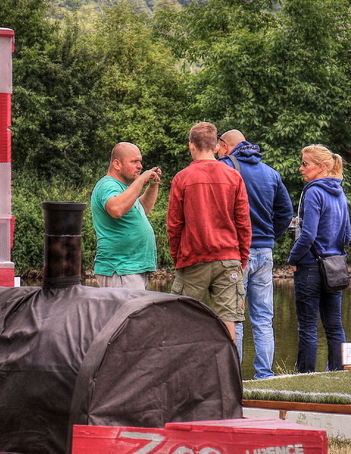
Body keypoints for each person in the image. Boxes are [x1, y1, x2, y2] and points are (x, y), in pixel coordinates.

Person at [217, 129, 293, 379]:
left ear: (225, 146)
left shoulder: (224, 168)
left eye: (219, 148)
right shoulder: (270, 172)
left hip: (237, 253)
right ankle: (264, 375)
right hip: (264, 252)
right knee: (263, 318)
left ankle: (234, 376)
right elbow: (285, 212)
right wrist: (271, 235)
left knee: (234, 316)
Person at [166, 122, 251, 340]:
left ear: (191, 146)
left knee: (183, 319)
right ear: (216, 147)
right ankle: (230, 373)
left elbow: (174, 224)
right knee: (227, 320)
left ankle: (188, 372)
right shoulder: (233, 177)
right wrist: (241, 260)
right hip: (228, 257)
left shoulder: (182, 178)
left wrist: (178, 259)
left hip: (193, 259)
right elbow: (243, 224)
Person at [287, 145, 351, 373]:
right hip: (335, 266)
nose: (301, 168)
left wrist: (292, 258)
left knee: (308, 327)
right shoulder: (340, 193)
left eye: (305, 164)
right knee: (334, 326)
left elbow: (308, 234)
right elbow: (347, 235)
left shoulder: (313, 191)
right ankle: (337, 372)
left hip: (310, 267)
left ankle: (305, 376)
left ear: (321, 167)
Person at [90, 142, 162, 290]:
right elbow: (116, 209)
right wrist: (141, 180)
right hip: (120, 268)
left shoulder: (123, 188)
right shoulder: (107, 185)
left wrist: (152, 186)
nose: (140, 166)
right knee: (128, 313)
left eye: (140, 162)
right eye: (134, 161)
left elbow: (142, 209)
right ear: (117, 164)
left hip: (131, 269)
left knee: (135, 313)